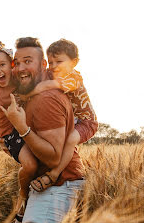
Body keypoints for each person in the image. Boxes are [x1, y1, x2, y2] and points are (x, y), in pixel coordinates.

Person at [0, 37, 85, 223]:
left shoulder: (47, 96)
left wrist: (21, 127)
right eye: (17, 62)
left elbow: (53, 154)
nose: (20, 68)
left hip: (58, 184)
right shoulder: (33, 93)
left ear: (43, 66)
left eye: (28, 61)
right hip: (42, 184)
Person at [27, 39, 98, 192]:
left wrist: (26, 95)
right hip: (72, 119)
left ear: (74, 62)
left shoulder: (74, 78)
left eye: (59, 61)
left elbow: (46, 86)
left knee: (71, 139)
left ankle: (54, 174)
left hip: (86, 122)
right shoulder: (53, 73)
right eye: (50, 62)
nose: (53, 66)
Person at [0, 41, 38, 210]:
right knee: (31, 165)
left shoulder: (20, 81)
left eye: (2, 64)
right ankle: (23, 194)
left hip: (27, 124)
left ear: (12, 65)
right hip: (11, 135)